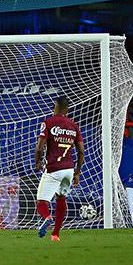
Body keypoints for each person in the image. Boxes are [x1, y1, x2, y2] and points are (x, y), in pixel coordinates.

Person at [35, 96, 84, 242]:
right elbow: (81, 151)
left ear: (55, 107)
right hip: (69, 169)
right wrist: (77, 173)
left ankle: (47, 218)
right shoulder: (74, 125)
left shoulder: (49, 122)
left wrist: (38, 162)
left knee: (42, 202)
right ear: (67, 109)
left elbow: (40, 147)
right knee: (61, 197)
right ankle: (55, 235)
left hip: (54, 168)